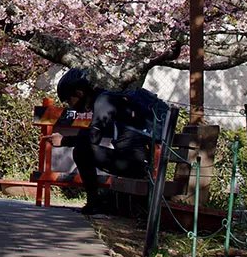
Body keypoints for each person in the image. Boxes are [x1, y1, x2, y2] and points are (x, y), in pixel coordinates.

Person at [55, 68, 174, 215]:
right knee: (83, 149)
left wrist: (64, 140)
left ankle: (94, 203)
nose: (70, 105)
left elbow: (93, 138)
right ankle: (97, 202)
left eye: (69, 100)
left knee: (82, 151)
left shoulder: (103, 102)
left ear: (79, 93)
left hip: (136, 165)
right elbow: (92, 133)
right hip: (136, 163)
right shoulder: (106, 100)